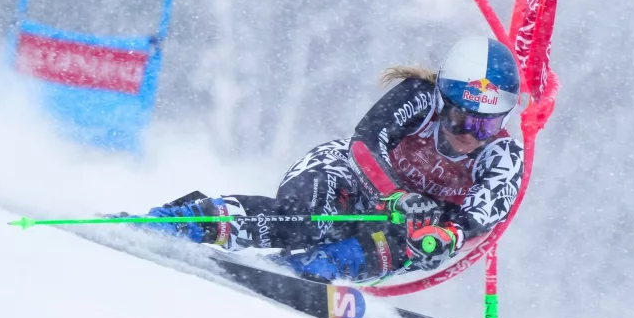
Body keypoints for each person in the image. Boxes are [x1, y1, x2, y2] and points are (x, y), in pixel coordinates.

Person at [121, 36, 524, 284]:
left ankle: (325, 265)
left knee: (423, 241)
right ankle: (192, 220)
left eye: (484, 127)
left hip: (404, 224)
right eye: (458, 119)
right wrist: (394, 195)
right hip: (352, 173)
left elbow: (484, 213)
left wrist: (449, 233)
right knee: (310, 217)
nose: (468, 135)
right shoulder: (420, 95)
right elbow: (366, 143)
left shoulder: (504, 154)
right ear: (444, 99)